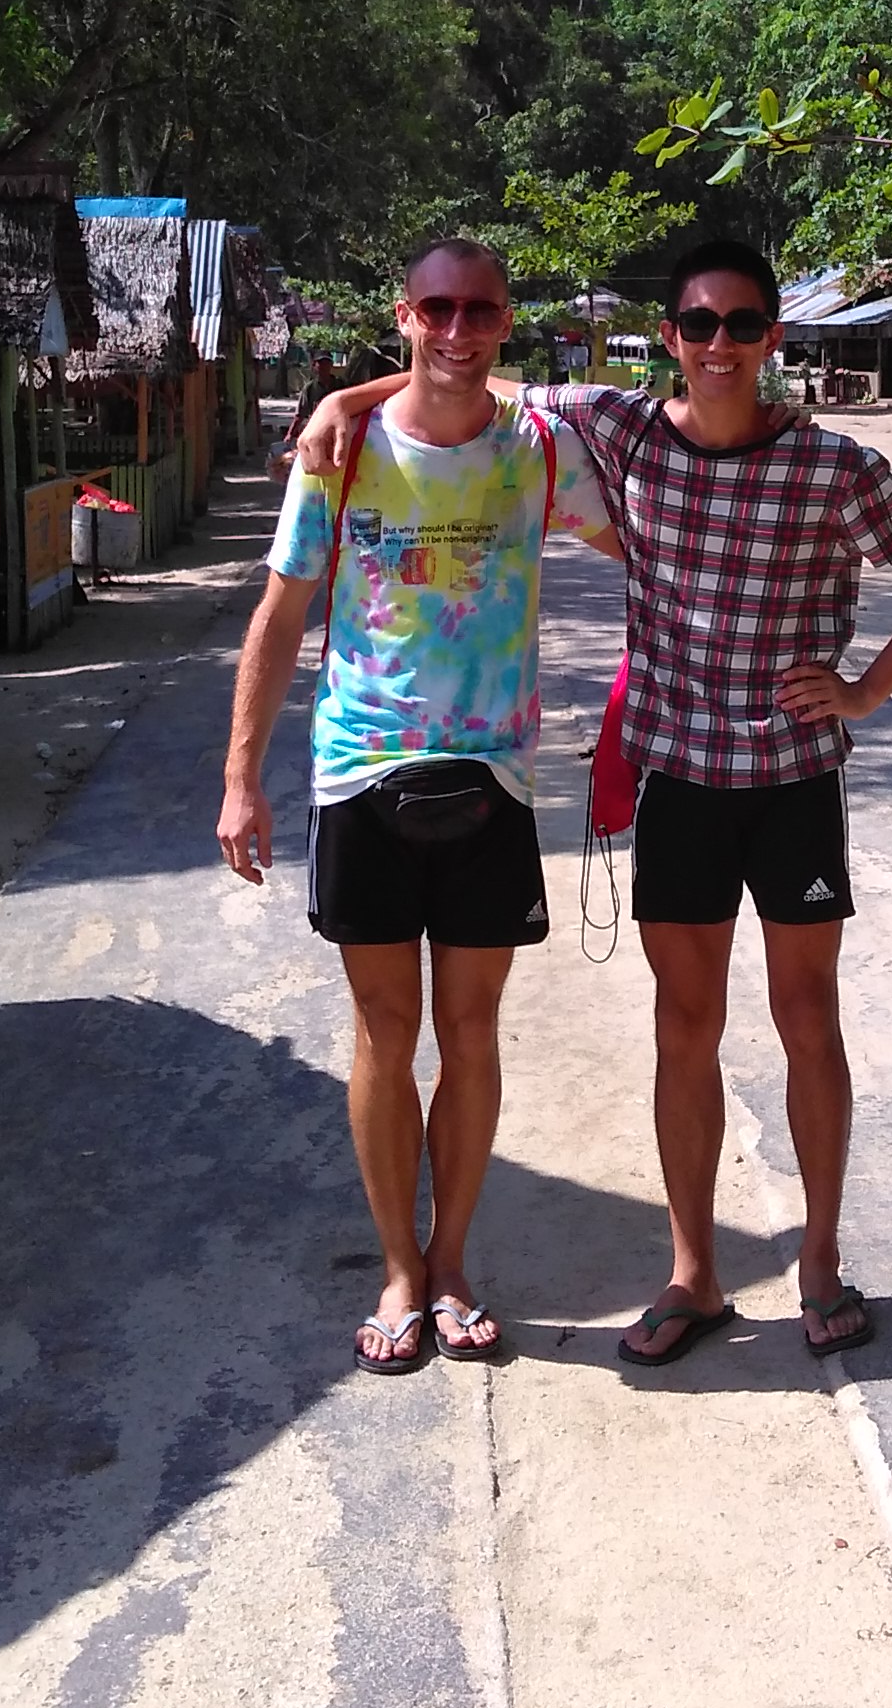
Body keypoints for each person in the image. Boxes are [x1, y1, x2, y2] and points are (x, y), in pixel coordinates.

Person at [298, 236, 892, 1369]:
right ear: (670, 337)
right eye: (699, 324)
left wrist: (866, 690)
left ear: (773, 337)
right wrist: (344, 396)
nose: (720, 345)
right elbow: (464, 372)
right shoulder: (621, 430)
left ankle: (818, 1260)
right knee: (685, 1025)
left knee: (808, 1017)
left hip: (794, 777)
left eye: (743, 324)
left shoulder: (833, 465)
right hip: (678, 778)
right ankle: (693, 1273)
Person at [218, 234, 617, 1373]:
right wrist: (241, 778)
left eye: (479, 310)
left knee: (472, 1031)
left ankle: (452, 1264)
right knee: (384, 1032)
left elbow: (646, 539)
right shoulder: (340, 455)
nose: (456, 328)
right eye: (435, 308)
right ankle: (399, 1267)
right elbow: (281, 614)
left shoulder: (539, 450)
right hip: (361, 772)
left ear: (506, 320)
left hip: (491, 774)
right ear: (403, 314)